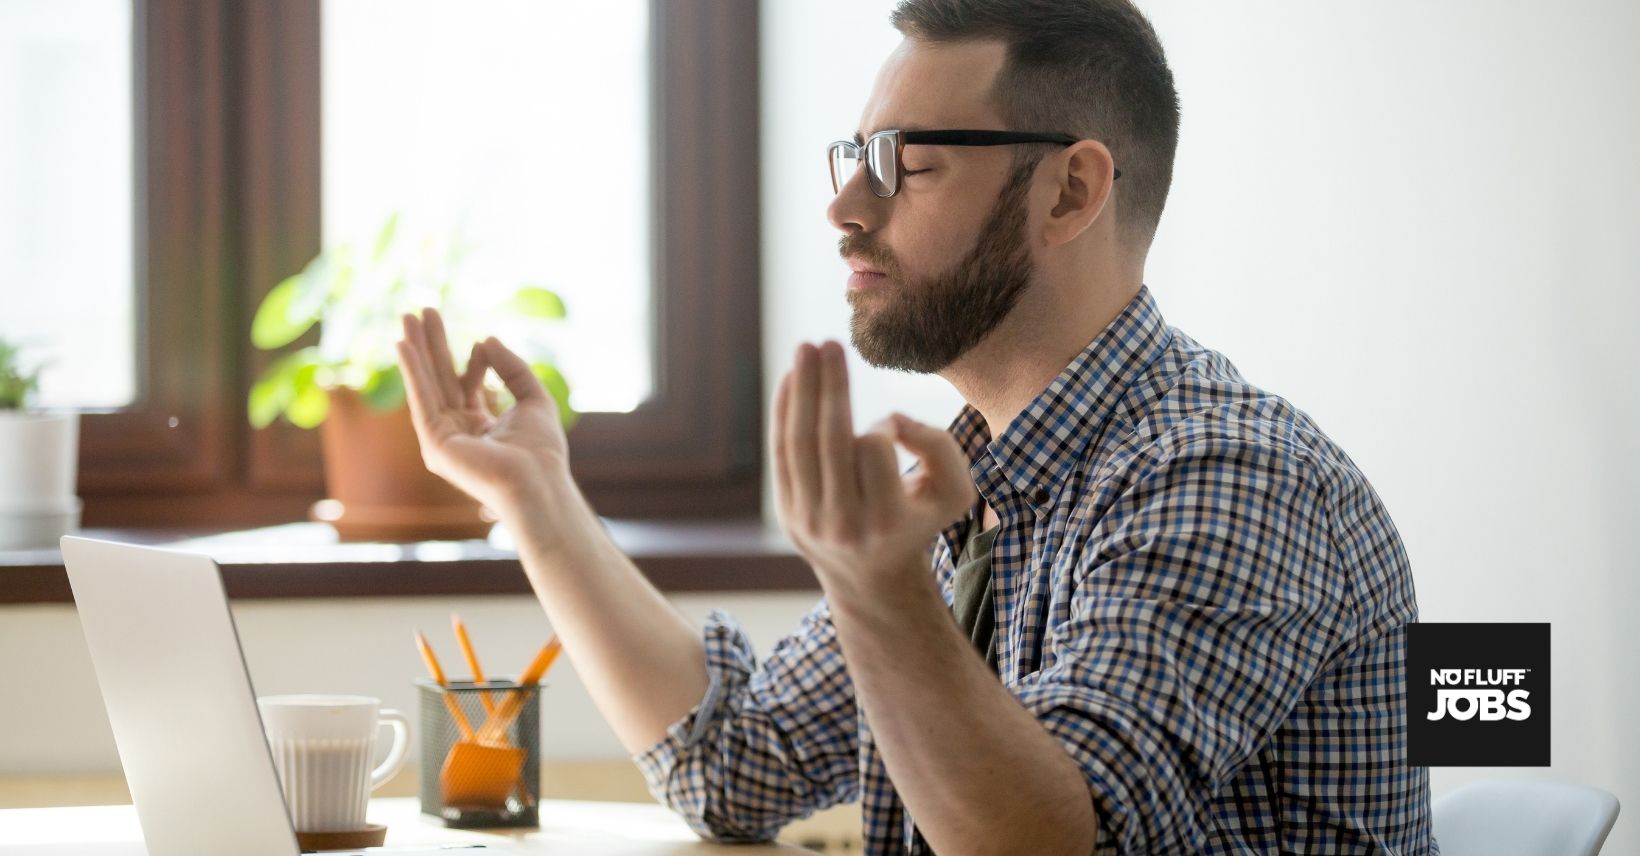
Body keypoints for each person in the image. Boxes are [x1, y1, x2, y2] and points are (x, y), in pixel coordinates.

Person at [395, 1, 1437, 853]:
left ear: (1069, 190)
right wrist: (535, 501)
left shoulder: (1223, 475)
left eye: (905, 162)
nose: (845, 206)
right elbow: (732, 762)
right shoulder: (981, 485)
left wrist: (879, 590)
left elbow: (1054, 843)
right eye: (852, 154)